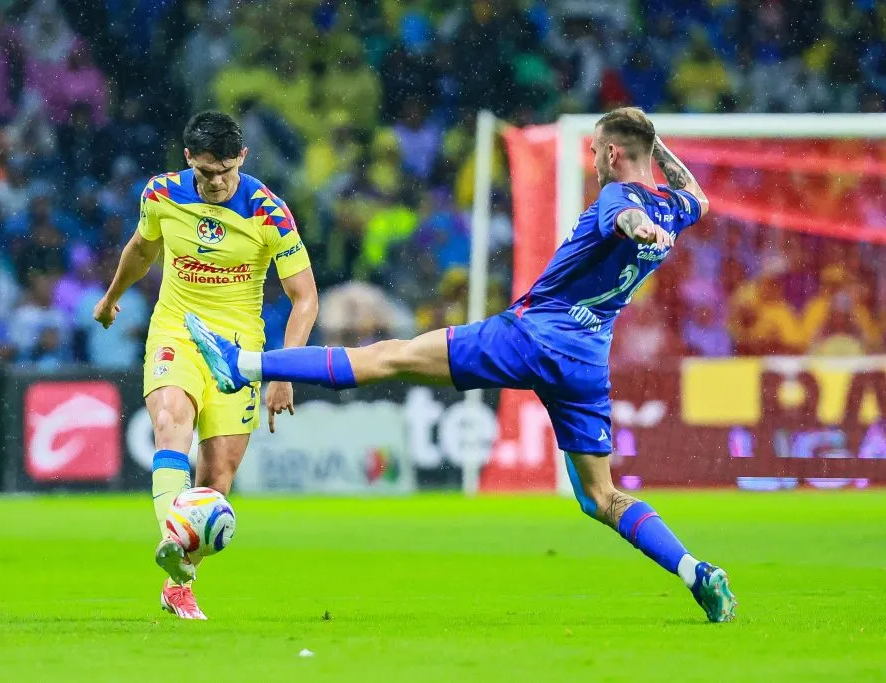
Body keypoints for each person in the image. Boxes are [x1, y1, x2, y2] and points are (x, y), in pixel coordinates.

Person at [186, 108, 737, 623]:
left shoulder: (622, 198)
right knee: (601, 497)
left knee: (388, 356)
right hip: (587, 359)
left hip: (531, 337)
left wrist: (639, 224)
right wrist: (656, 154)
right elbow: (698, 197)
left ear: (614, 154)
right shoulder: (676, 205)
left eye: (596, 153)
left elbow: (628, 216)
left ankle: (243, 364)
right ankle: (698, 572)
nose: (592, 163)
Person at [92, 111, 318, 620]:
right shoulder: (161, 195)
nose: (215, 183)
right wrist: (110, 299)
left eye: (225, 172)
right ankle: (176, 559)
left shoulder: (269, 212)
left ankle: (178, 581)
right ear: (189, 157)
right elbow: (141, 249)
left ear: (242, 157)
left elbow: (305, 297)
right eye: (205, 172)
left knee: (216, 477)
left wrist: (282, 370)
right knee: (171, 422)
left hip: (239, 353)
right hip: (176, 331)